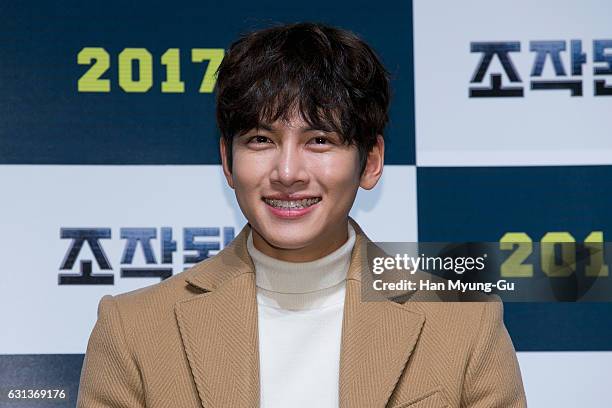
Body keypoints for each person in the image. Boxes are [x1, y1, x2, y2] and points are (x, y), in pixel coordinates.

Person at [76, 22, 527, 407]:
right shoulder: (134, 330)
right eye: (260, 140)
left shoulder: (464, 325)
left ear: (370, 161)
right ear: (227, 163)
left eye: (319, 141)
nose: (287, 172)